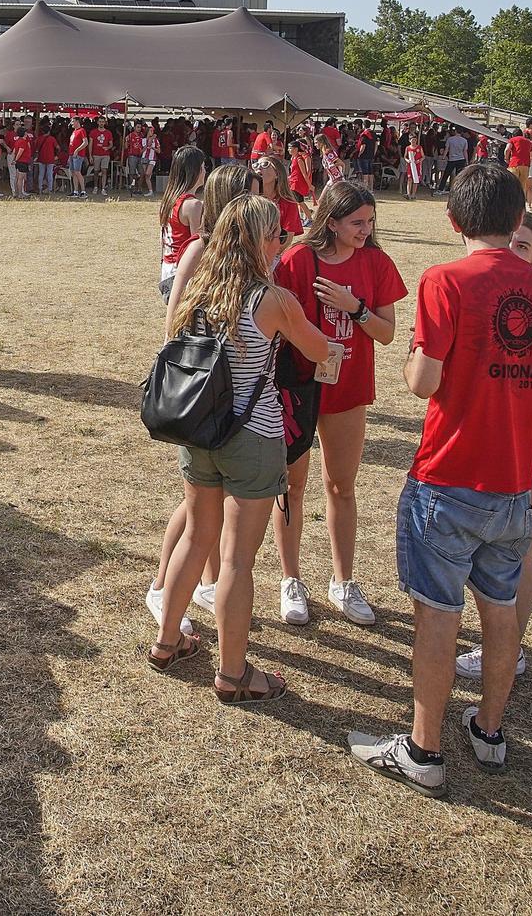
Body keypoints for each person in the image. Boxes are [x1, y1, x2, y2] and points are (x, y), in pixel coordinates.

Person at [349, 164, 532, 795]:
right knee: (502, 609)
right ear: (519, 217)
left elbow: (424, 380)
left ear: (454, 222)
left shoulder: (445, 281)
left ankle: (423, 749)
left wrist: (425, 369)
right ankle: (490, 730)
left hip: (448, 475)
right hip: (512, 479)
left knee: (437, 614)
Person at [147, 196, 330, 704]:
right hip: (253, 437)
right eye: (276, 235)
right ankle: (232, 674)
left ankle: (167, 642)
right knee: (236, 562)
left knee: (195, 539)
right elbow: (319, 350)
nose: (282, 243)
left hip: (198, 431)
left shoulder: (198, 291)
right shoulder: (271, 300)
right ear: (257, 241)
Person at [272, 180, 405, 627]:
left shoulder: (376, 262)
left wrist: (356, 307)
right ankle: (291, 579)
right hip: (298, 388)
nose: (366, 230)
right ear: (331, 221)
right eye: (356, 222)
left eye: (370, 222)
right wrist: (314, 343)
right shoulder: (296, 260)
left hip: (348, 390)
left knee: (341, 486)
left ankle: (343, 581)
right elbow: (273, 324)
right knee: (291, 485)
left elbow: (386, 333)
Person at [455, 211, 532, 681]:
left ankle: (511, 649)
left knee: (513, 553)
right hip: (493, 433)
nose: (513, 255)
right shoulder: (473, 295)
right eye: (507, 244)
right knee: (491, 549)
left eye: (524, 247)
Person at [146, 162, 255, 633]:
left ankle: (207, 585)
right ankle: (160, 587)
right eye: (248, 195)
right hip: (204, 390)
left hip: (240, 395)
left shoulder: (247, 255)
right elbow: (174, 328)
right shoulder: (200, 250)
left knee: (214, 501)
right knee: (197, 507)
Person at [158, 146, 209, 299]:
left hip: (168, 267)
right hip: (183, 270)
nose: (205, 171)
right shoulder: (193, 205)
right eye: (203, 167)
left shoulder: (169, 199)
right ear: (195, 170)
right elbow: (198, 246)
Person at [248, 155, 303, 238]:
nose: (259, 167)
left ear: (277, 173)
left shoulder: (289, 203)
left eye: (265, 164)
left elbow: (286, 238)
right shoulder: (246, 199)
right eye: (256, 165)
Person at [505, 126, 532, 203]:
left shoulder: (512, 140)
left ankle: (510, 201)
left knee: (511, 184)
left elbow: (507, 149)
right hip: (525, 165)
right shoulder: (529, 142)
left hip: (514, 164)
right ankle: (520, 203)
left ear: (513, 135)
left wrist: (506, 158)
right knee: (522, 186)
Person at [402, 132, 426, 200]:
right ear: (410, 141)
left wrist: (419, 160)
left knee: (415, 179)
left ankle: (413, 194)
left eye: (415, 140)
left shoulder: (419, 147)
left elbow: (423, 156)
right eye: (412, 140)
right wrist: (407, 160)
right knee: (409, 179)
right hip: (410, 165)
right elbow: (405, 156)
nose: (414, 142)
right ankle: (408, 193)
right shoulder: (408, 148)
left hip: (417, 166)